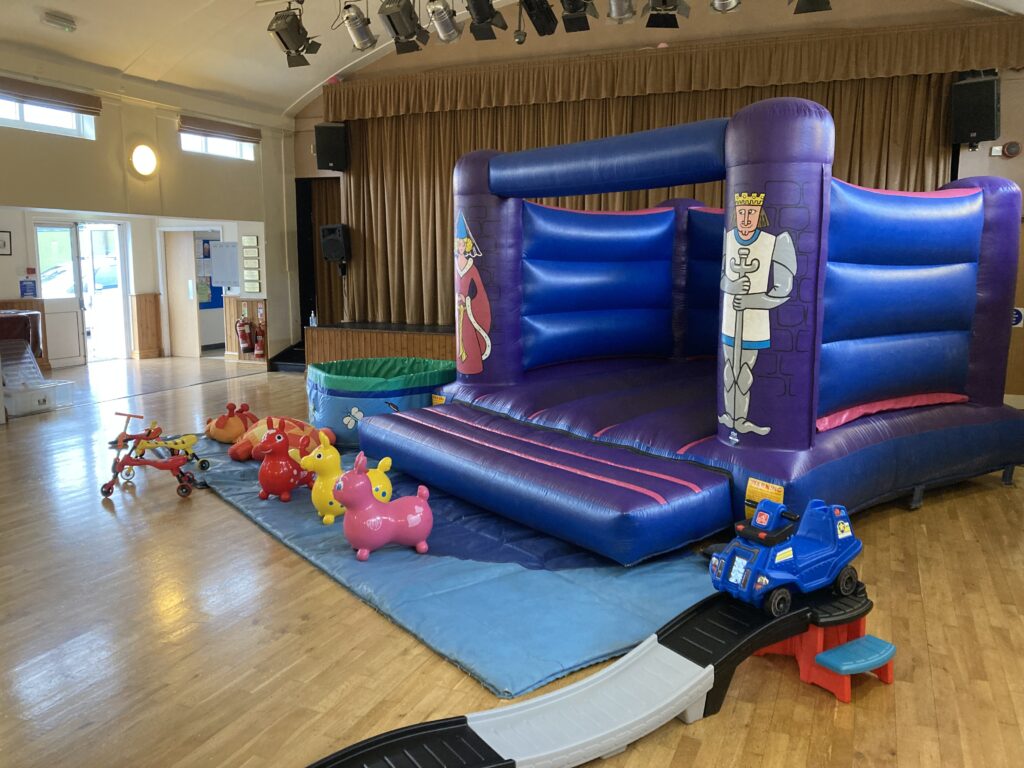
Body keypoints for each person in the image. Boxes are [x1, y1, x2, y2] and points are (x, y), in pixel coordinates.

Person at [719, 192, 796, 437]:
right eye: (741, 212)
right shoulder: (728, 237)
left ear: (758, 214)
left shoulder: (773, 242)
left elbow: (783, 289)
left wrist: (752, 300)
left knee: (743, 373)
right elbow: (723, 276)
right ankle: (729, 416)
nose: (744, 218)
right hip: (731, 321)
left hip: (753, 323)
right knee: (729, 369)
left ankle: (741, 419)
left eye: (750, 213)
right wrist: (730, 286)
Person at [454, 211, 491, 375]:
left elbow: (480, 291)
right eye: (458, 244)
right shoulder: (455, 264)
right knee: (461, 338)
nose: (461, 247)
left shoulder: (471, 267)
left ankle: (474, 367)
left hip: (468, 312)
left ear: (467, 245)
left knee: (469, 339)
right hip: (459, 312)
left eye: (463, 244)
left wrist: (467, 299)